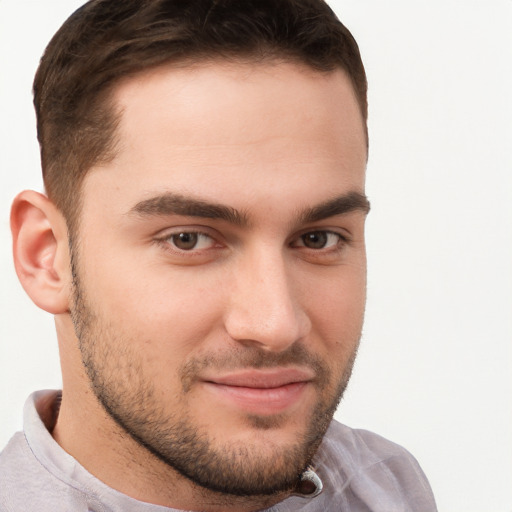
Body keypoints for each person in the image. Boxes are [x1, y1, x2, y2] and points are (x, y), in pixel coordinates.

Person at [0, 0, 437, 510]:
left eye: (317, 238)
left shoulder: (388, 487)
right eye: (188, 239)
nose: (275, 324)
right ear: (46, 256)